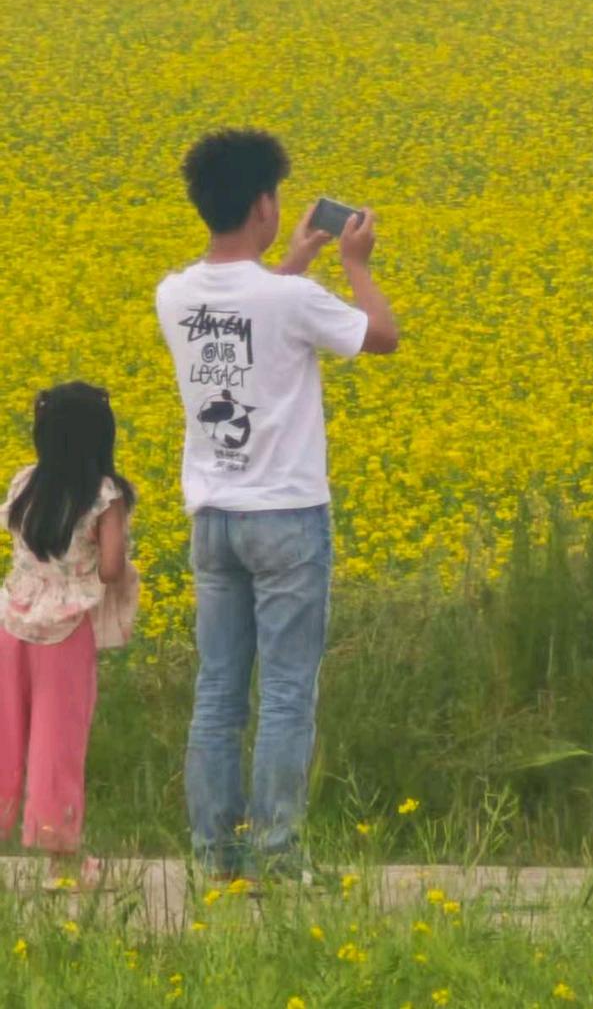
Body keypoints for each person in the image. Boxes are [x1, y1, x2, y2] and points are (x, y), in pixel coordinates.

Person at [155, 128, 398, 881]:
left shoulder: (175, 292)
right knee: (287, 694)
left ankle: (214, 858)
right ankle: (277, 856)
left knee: (219, 692)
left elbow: (247, 316)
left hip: (214, 519)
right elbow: (381, 337)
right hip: (287, 517)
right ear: (265, 204)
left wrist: (298, 255)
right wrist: (353, 265)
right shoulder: (290, 299)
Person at [0, 382, 139, 888]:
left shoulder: (23, 483)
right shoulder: (105, 495)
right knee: (58, 741)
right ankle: (61, 863)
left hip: (12, 621)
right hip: (65, 630)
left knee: (6, 732)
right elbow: (109, 568)